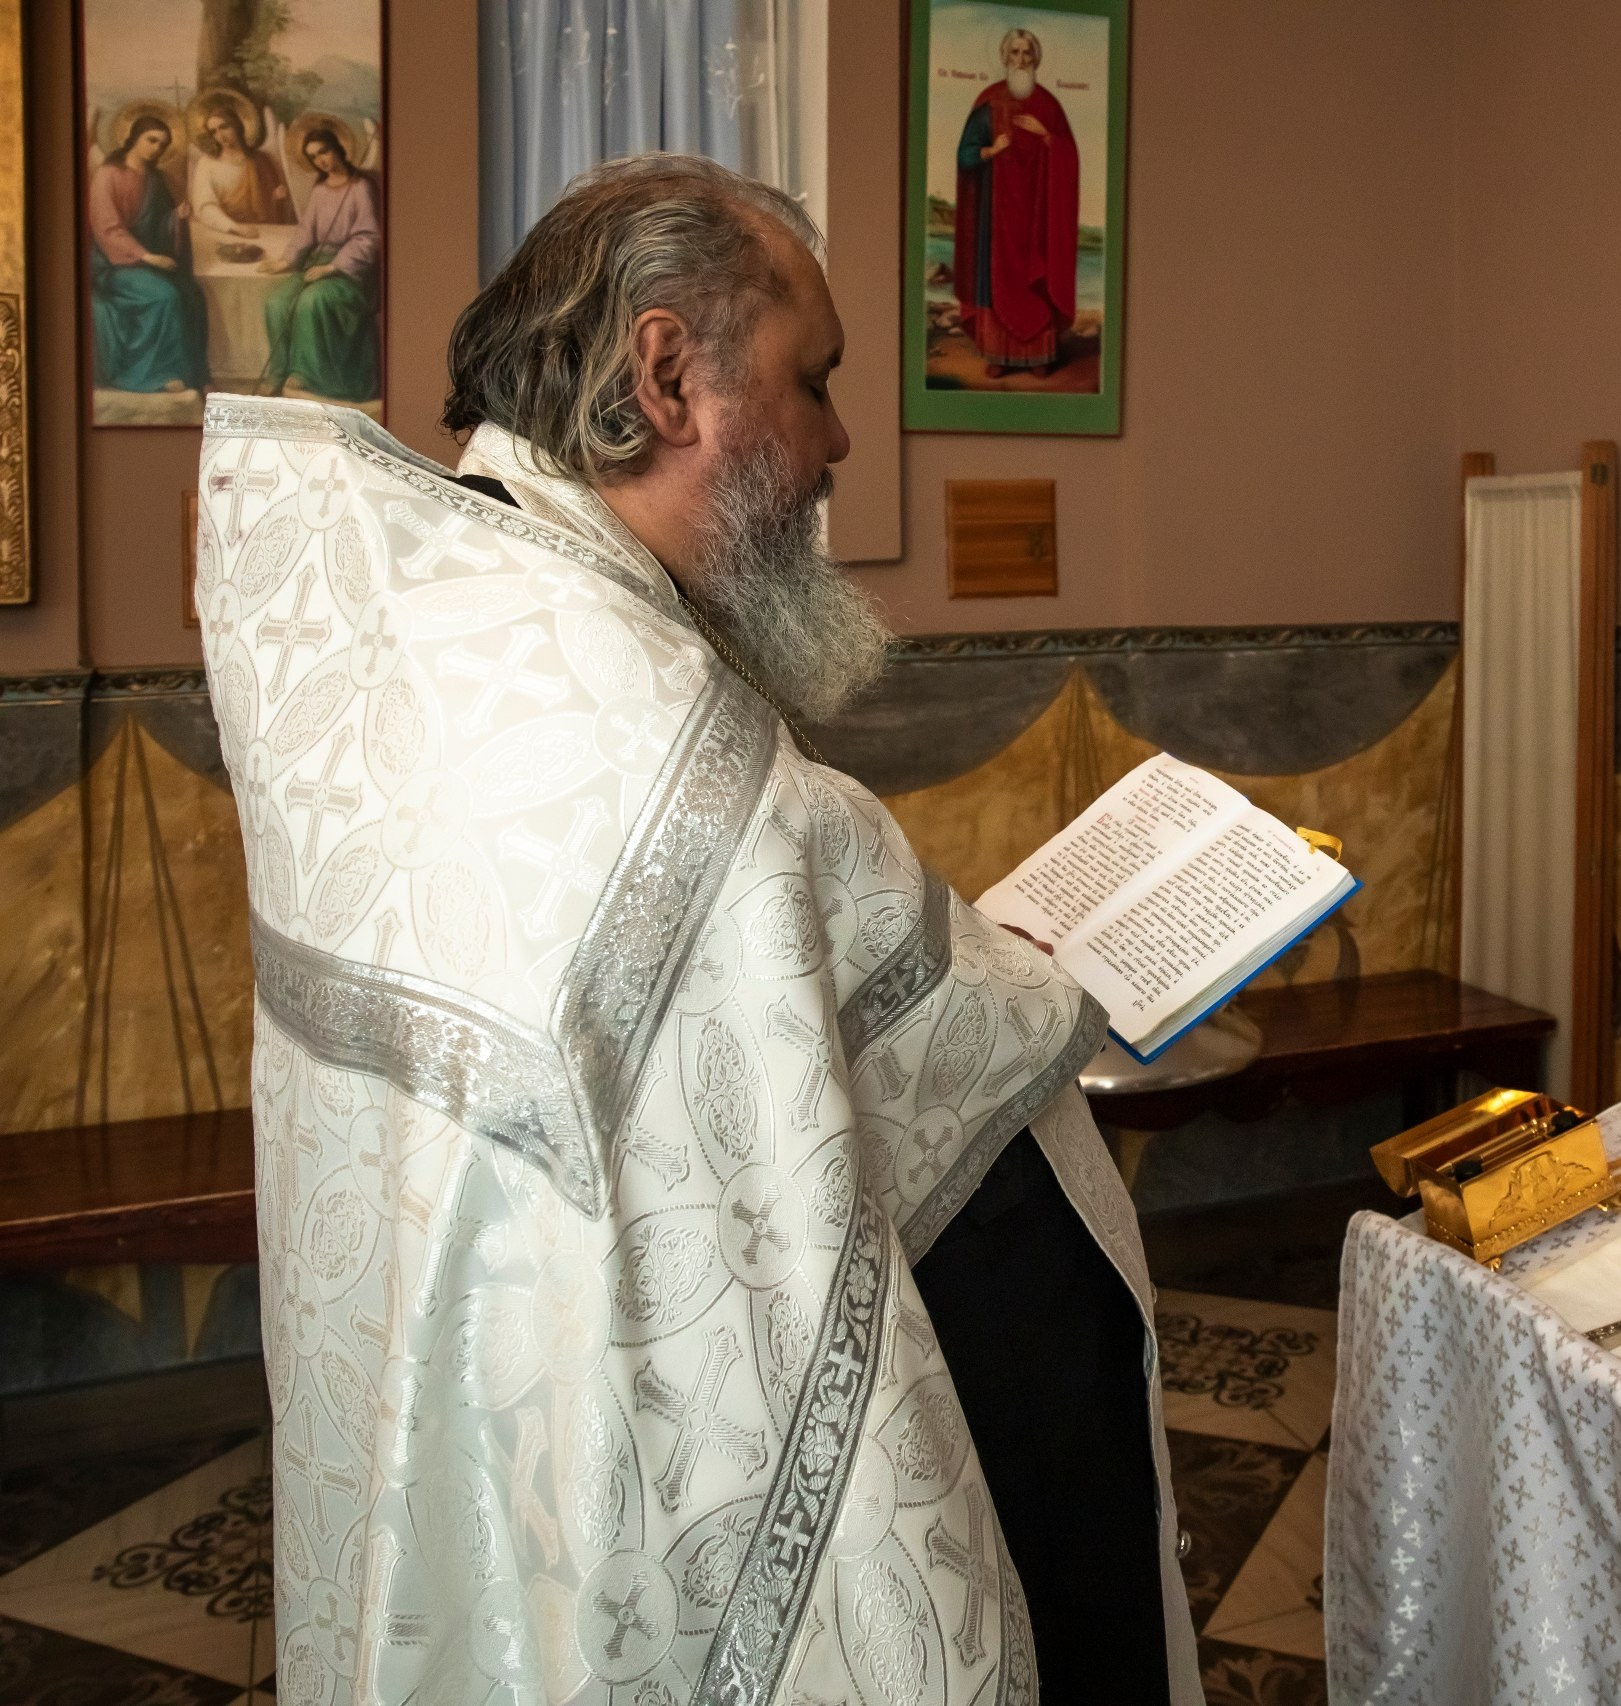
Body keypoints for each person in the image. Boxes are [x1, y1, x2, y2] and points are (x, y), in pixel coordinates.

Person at [198, 154, 1195, 1706]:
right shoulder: (650, 739)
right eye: (816, 382)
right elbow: (937, 1086)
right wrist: (1035, 986)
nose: (842, 442)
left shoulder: (445, 618)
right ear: (669, 376)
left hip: (458, 1449)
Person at [952, 28, 1081, 378]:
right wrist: (990, 151)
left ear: (1036, 59)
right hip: (996, 217)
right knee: (996, 280)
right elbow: (964, 156)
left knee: (1035, 279)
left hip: (1038, 219)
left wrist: (1046, 137)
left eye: (1027, 54)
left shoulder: (1049, 107)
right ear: (1005, 58)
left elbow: (1069, 157)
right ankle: (999, 354)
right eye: (1015, 53)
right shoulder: (989, 103)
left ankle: (1039, 355)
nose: (1021, 60)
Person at [258, 124, 380, 401]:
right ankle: (277, 373)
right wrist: (286, 260)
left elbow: (368, 237)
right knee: (276, 302)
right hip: (315, 265)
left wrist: (332, 267)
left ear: (338, 148)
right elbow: (305, 232)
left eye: (324, 152)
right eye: (314, 157)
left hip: (350, 272)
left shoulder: (360, 187)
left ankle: (306, 375)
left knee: (311, 301)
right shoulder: (320, 190)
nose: (321, 160)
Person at [88, 114, 207, 396]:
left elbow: (160, 223)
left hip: (150, 261)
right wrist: (146, 257)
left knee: (192, 293)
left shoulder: (157, 179)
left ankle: (196, 374)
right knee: (165, 295)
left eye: (162, 144)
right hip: (114, 265)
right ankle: (158, 373)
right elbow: (108, 229)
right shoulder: (109, 175)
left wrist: (176, 217)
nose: (157, 148)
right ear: (133, 139)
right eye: (151, 140)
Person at [186, 101, 291, 236]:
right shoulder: (207, 164)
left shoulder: (261, 160)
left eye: (224, 127)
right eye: (214, 131)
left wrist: (276, 198)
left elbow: (274, 206)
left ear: (237, 125)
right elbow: (204, 207)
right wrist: (234, 227)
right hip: (224, 232)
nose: (220, 135)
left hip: (263, 231)